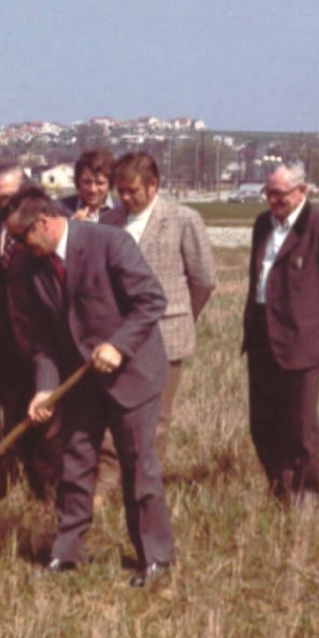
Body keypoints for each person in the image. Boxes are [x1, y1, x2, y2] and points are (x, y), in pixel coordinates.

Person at [7, 185, 175, 587]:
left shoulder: (109, 243)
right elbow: (44, 339)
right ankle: (67, 552)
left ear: (45, 223)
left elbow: (151, 299)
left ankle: (156, 558)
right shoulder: (32, 265)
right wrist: (45, 389)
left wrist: (118, 346)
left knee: (138, 467)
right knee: (75, 462)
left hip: (132, 374)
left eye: (22, 237)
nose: (18, 246)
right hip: (79, 381)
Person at [242, 163, 319, 503]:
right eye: (269, 193)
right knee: (263, 421)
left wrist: (317, 324)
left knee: (300, 425)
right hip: (262, 335)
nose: (273, 200)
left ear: (302, 191)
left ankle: (306, 496)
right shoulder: (262, 225)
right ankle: (280, 486)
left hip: (304, 342)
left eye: (279, 193)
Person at [106, 151, 216, 458]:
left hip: (166, 336)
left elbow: (203, 280)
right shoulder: (109, 221)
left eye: (133, 191)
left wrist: (181, 315)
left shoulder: (183, 220)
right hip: (119, 336)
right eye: (120, 191)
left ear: (153, 185)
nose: (125, 197)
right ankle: (110, 481)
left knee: (157, 419)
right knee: (114, 414)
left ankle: (145, 483)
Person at [0, 163, 56, 500]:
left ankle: (43, 486)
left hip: (38, 339)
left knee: (42, 418)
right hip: (0, 339)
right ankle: (3, 482)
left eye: (9, 197)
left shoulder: (44, 225)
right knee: (5, 414)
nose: (3, 204)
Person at [57, 148, 118, 222]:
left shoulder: (122, 211)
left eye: (100, 183)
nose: (93, 189)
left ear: (110, 183)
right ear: (78, 181)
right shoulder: (58, 210)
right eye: (87, 182)